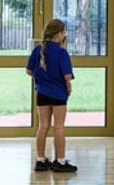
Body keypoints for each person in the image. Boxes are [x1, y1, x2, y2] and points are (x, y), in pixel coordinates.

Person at [27, 19, 76, 173]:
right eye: (64, 32)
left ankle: (41, 160)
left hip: (41, 93)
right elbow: (67, 75)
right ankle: (60, 162)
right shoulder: (62, 52)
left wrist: (41, 77)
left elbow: (29, 71)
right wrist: (68, 86)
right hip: (58, 95)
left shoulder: (38, 50)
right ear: (59, 34)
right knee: (59, 127)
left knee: (43, 126)